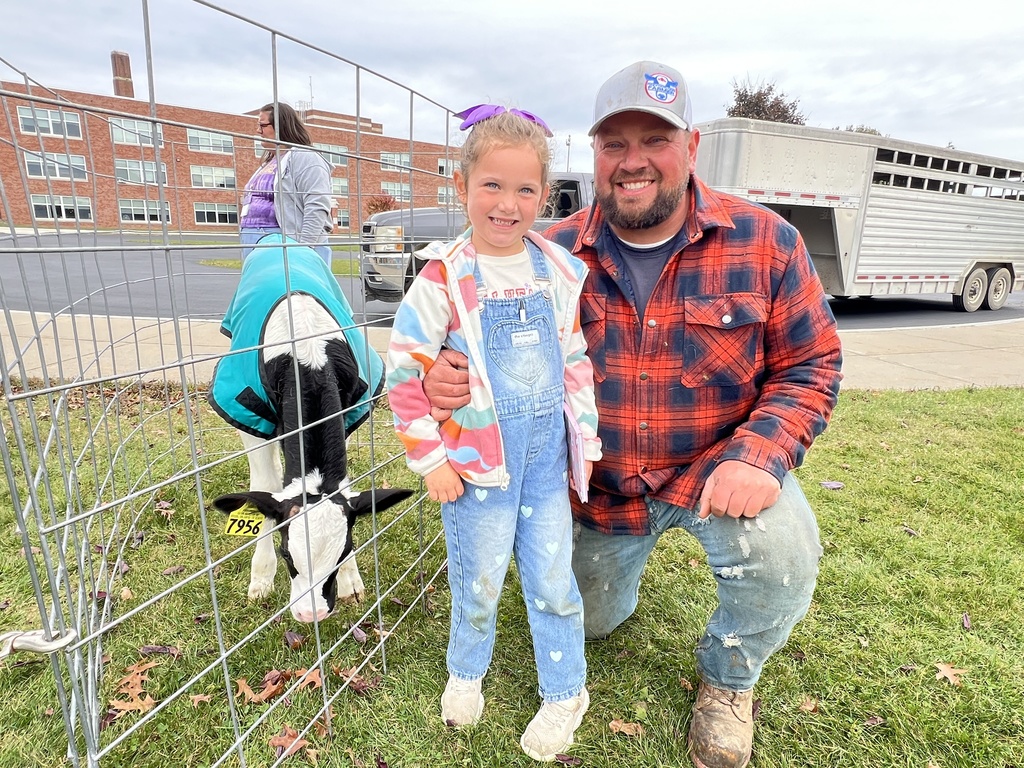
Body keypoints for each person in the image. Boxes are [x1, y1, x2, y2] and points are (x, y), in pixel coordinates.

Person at [423, 62, 843, 768]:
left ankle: (729, 683)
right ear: (594, 155)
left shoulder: (766, 241)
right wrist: (446, 376)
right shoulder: (541, 253)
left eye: (656, 138)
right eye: (614, 143)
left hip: (716, 470)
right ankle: (616, 583)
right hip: (602, 488)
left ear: (693, 146)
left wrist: (759, 454)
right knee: (587, 620)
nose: (634, 160)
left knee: (782, 556)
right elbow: (465, 342)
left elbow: (811, 364)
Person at [385, 105, 602, 762]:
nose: (508, 204)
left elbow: (572, 356)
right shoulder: (441, 278)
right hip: (476, 465)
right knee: (477, 579)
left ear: (544, 194)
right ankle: (466, 670)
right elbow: (403, 373)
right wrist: (430, 462)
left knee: (552, 579)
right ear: (462, 185)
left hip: (544, 459)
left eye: (525, 189)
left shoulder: (557, 272)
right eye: (493, 186)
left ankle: (566, 690)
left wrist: (583, 438)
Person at [240, 102, 333, 265]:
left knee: (292, 290)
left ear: (281, 126)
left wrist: (303, 251)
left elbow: (317, 205)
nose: (257, 131)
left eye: (262, 125)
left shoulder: (306, 157)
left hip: (286, 245)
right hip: (257, 244)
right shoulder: (271, 161)